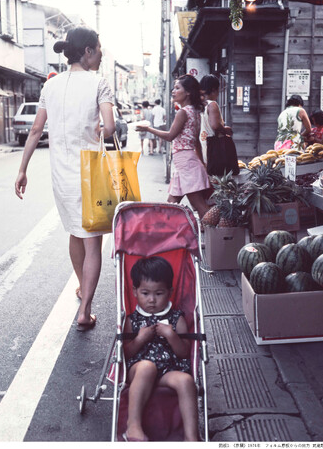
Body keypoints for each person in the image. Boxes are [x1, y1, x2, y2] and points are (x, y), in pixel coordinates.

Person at [14, 26, 115, 331]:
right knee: (93, 244)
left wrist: (22, 169)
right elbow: (108, 127)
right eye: (98, 49)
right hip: (92, 170)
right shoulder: (99, 83)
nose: (100, 54)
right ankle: (85, 310)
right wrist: (102, 128)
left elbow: (35, 131)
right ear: (87, 51)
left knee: (74, 232)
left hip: (61, 173)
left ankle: (82, 288)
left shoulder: (51, 87)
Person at [123, 256, 199, 442]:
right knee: (147, 366)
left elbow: (183, 353)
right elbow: (126, 353)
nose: (151, 300)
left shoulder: (176, 318)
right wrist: (140, 339)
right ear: (135, 291)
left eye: (158, 293)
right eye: (145, 293)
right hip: (139, 369)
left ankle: (192, 438)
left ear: (169, 292)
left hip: (168, 370)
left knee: (186, 381)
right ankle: (133, 426)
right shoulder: (132, 320)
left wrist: (171, 335)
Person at [136, 74, 210, 220]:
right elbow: (196, 142)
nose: (173, 91)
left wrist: (148, 129)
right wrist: (202, 163)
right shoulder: (195, 112)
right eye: (174, 88)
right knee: (171, 204)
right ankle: (167, 236)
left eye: (177, 88)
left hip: (185, 162)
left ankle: (220, 236)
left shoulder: (183, 112)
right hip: (186, 162)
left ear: (188, 92)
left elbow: (170, 136)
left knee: (201, 208)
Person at [199, 74, 239, 175]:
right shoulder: (212, 104)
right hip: (214, 146)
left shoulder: (200, 105)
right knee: (217, 175)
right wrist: (225, 129)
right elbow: (215, 126)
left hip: (203, 143)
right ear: (214, 89)